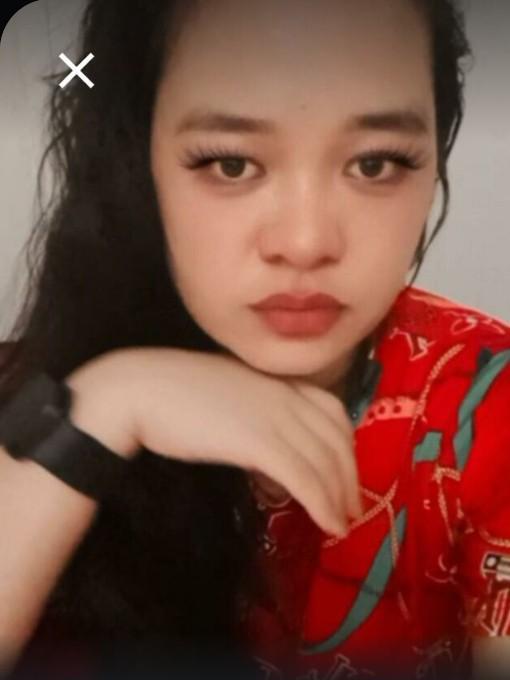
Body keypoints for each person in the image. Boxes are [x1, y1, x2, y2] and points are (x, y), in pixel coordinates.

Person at [0, 0, 509, 678]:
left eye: (376, 163)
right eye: (232, 164)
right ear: (137, 165)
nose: (305, 241)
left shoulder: (485, 406)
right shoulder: (45, 389)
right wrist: (108, 406)